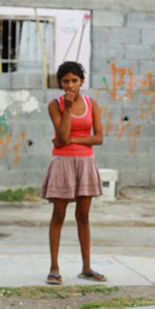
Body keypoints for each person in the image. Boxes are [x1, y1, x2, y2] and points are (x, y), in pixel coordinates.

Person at [41, 61, 106, 285]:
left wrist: (72, 140)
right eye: (66, 81)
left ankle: (86, 267)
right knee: (58, 215)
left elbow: (98, 138)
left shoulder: (92, 103)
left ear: (82, 82)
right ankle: (54, 267)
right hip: (63, 163)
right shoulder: (55, 105)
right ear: (60, 83)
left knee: (84, 216)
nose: (70, 85)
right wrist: (67, 108)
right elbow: (61, 134)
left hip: (86, 163)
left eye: (74, 81)